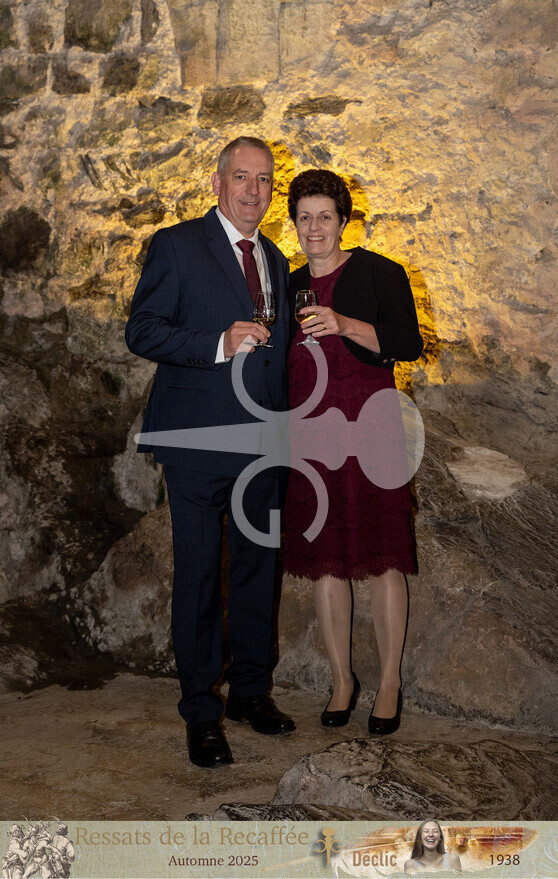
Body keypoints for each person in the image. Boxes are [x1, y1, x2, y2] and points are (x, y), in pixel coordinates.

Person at [125, 136, 295, 769]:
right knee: (198, 575)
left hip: (262, 443)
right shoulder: (176, 245)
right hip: (195, 441)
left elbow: (277, 354)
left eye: (264, 179)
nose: (253, 190)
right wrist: (218, 343)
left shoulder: (275, 259)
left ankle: (250, 691)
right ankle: (201, 712)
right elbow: (142, 330)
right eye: (241, 177)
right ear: (218, 182)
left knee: (258, 571)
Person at [283, 169, 423, 734]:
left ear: (344, 221)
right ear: (294, 224)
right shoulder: (286, 283)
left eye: (325, 216)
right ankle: (342, 680)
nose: (314, 227)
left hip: (371, 427)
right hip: (311, 435)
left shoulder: (380, 272)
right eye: (304, 217)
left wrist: (343, 324)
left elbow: (408, 343)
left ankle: (388, 683)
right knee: (326, 561)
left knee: (384, 557)